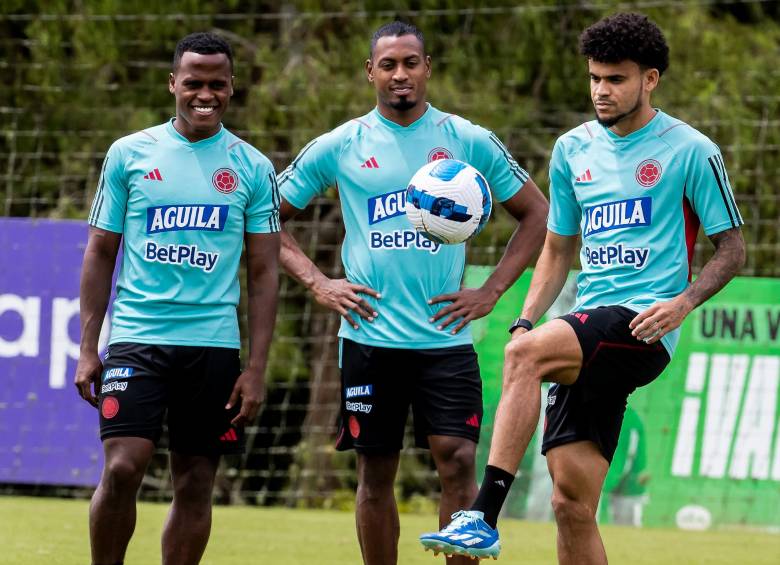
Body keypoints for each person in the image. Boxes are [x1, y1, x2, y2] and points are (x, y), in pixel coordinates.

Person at [421, 12, 746, 562]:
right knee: (571, 503)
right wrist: (526, 315)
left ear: (650, 79)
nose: (601, 90)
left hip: (643, 324)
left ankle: (482, 515)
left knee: (523, 354)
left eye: (616, 78)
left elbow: (733, 250)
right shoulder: (572, 149)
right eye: (595, 77)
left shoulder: (691, 150)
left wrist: (683, 303)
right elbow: (556, 249)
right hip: (587, 326)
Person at [278, 21, 548, 565]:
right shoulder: (342, 144)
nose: (399, 75)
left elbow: (538, 214)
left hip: (445, 339)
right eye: (388, 65)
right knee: (376, 472)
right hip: (368, 337)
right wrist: (318, 281)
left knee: (456, 460)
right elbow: (262, 219)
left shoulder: (466, 139)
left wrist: (491, 291)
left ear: (427, 68)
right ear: (370, 72)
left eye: (410, 63)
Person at [74, 32, 280, 565]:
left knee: (194, 482)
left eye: (216, 84)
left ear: (232, 88)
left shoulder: (252, 167)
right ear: (174, 84)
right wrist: (87, 347)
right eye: (193, 83)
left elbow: (262, 272)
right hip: (138, 338)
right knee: (122, 467)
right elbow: (100, 251)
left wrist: (256, 367)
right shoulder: (130, 154)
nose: (204, 93)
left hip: (211, 346)